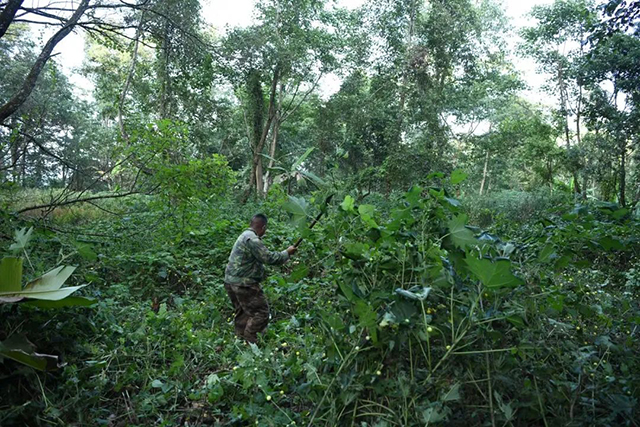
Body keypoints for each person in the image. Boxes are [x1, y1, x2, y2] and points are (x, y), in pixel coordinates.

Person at [224, 213, 297, 343]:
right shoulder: (252, 239)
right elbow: (269, 258)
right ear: (263, 227)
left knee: (243, 312)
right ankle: (252, 342)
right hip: (243, 284)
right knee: (261, 313)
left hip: (230, 282)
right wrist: (287, 253)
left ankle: (240, 343)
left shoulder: (244, 235)